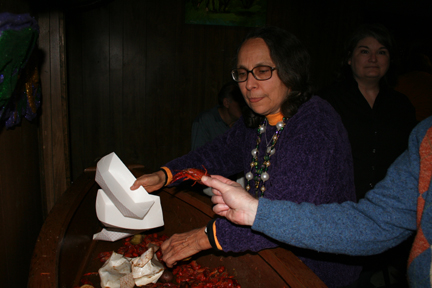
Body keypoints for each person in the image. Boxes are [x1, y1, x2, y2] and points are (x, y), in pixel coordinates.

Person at [131, 26, 361, 287]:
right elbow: (217, 153)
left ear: (290, 69)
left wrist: (200, 239)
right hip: (271, 255)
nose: (249, 84)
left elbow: (282, 216)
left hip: (318, 270)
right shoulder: (258, 118)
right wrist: (165, 175)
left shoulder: (315, 123)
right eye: (242, 73)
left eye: (262, 71)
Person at [206, 115, 432, 288]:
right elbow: (375, 222)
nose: (251, 84)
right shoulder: (426, 136)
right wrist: (254, 211)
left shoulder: (314, 120)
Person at [319, 23, 417, 201]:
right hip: (339, 204)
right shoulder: (326, 101)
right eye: (364, 51)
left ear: (390, 59)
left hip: (390, 205)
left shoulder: (402, 105)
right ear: (349, 58)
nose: (373, 59)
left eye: (381, 52)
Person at [191, 81, 244, 151]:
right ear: (226, 103)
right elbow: (197, 156)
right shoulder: (205, 121)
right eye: (240, 102)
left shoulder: (244, 123)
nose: (244, 106)